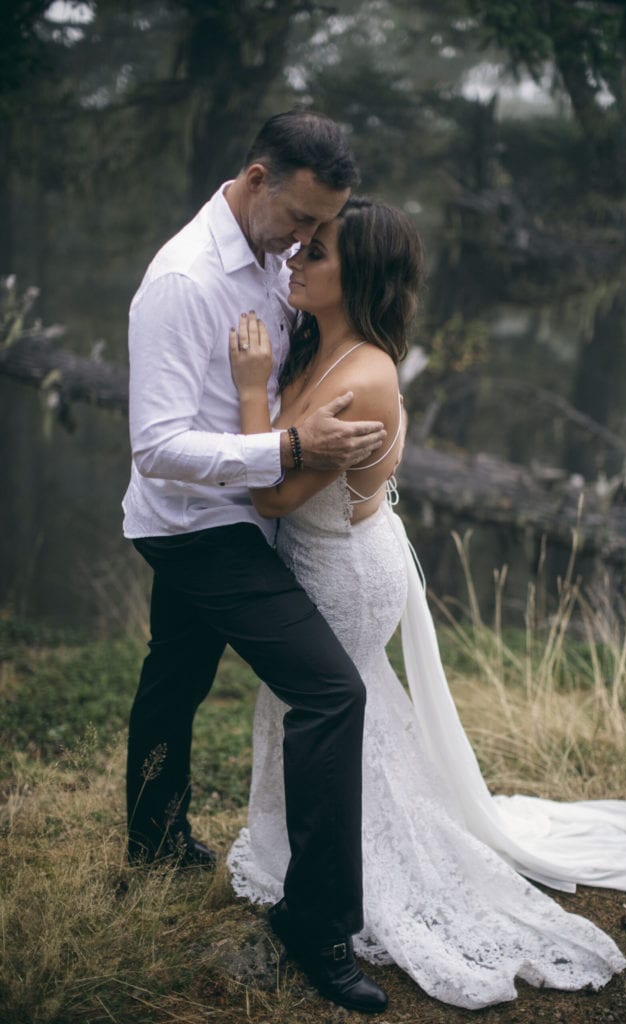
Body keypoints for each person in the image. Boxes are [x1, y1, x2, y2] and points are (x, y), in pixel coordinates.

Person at [225, 197, 626, 1010]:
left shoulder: (364, 376)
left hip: (340, 571)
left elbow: (269, 496)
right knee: (335, 718)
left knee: (337, 723)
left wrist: (249, 390)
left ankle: (359, 883)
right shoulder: (319, 342)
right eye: (300, 247)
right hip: (321, 561)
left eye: (317, 253)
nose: (294, 259)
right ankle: (302, 857)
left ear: (358, 276)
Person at [123, 111, 391, 1014]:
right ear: (256, 177)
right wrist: (282, 451)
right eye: (302, 220)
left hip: (248, 513)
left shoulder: (277, 258)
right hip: (198, 522)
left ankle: (154, 842)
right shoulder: (181, 282)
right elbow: (155, 445)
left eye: (321, 231)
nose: (307, 243)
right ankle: (316, 927)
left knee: (176, 678)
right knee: (330, 694)